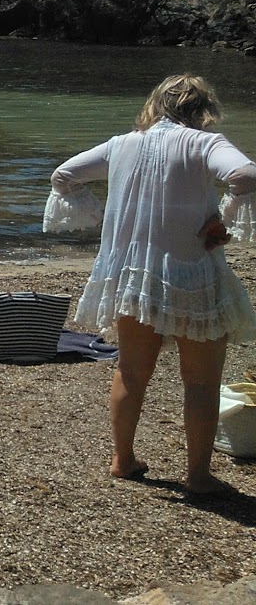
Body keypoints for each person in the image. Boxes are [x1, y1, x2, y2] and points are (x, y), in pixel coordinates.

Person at [46, 74, 256, 497]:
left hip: (133, 277)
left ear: (154, 105)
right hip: (193, 275)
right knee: (200, 382)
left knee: (130, 371)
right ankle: (197, 476)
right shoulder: (204, 143)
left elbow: (63, 176)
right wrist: (223, 219)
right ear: (202, 110)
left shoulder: (121, 144)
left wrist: (111, 214)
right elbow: (247, 175)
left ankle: (122, 460)